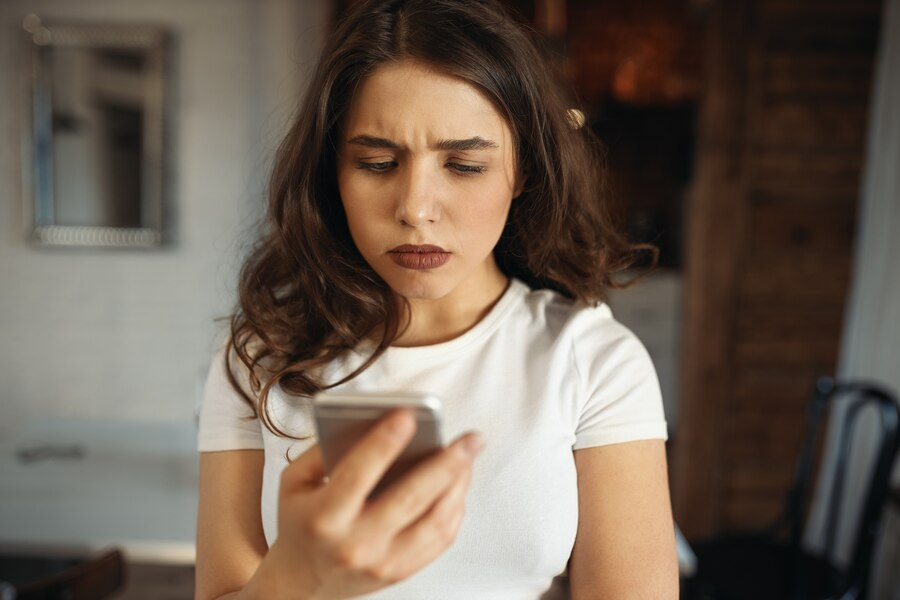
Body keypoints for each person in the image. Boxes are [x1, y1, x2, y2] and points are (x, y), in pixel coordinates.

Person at [195, 0, 679, 598]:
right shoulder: (260, 353)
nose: (416, 209)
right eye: (377, 163)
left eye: (465, 165)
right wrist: (295, 578)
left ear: (522, 170)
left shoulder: (592, 360)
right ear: (332, 172)